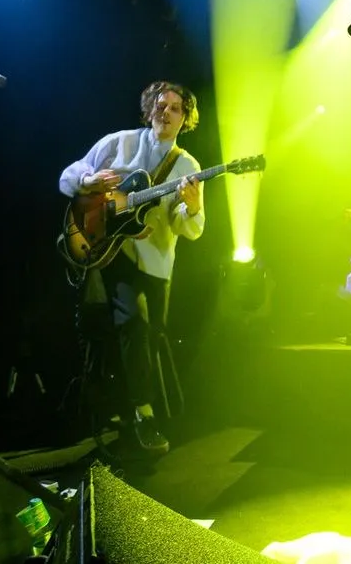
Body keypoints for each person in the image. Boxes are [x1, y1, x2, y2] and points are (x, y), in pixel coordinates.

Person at [59, 81, 205, 454]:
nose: (166, 112)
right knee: (132, 324)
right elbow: (68, 175)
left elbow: (189, 229)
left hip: (153, 262)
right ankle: (143, 412)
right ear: (149, 109)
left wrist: (193, 206)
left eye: (176, 108)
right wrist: (88, 181)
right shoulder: (118, 142)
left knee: (149, 330)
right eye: (161, 105)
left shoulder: (186, 166)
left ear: (185, 119)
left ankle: (123, 402)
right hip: (106, 252)